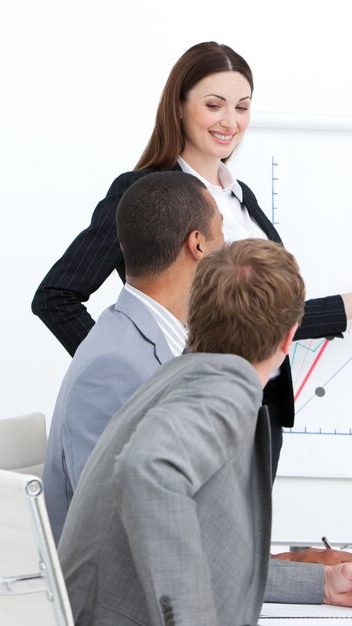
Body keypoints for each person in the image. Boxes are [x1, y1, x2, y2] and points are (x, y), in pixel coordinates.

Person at [32, 41, 352, 478]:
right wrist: (142, 379)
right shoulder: (147, 193)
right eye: (214, 105)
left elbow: (255, 318)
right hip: (189, 409)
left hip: (258, 408)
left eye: (242, 107)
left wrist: (349, 304)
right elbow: (56, 296)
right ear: (179, 107)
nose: (231, 122)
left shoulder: (240, 198)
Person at [58, 239, 352, 626]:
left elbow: (216, 560)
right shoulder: (225, 385)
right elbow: (147, 467)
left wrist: (322, 583)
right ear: (289, 337)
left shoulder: (180, 377)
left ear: (196, 312)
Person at [43, 171, 224, 543]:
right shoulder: (115, 367)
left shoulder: (157, 342)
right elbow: (124, 537)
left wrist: (312, 578)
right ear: (198, 245)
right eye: (222, 231)